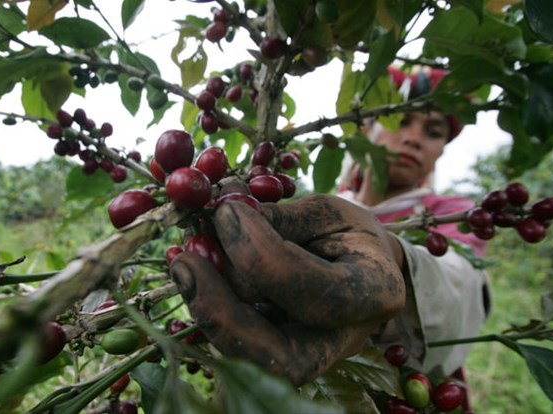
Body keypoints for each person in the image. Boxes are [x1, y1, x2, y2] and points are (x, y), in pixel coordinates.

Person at [169, 66, 491, 406]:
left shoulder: (452, 210)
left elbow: (462, 279)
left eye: (433, 131)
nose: (413, 137)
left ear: (442, 148)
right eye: (401, 120)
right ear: (368, 127)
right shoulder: (328, 206)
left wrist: (398, 260)